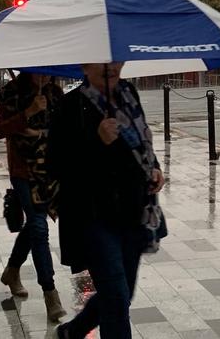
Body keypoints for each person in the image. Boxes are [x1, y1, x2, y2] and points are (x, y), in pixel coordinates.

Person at [49, 62, 166, 339]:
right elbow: (57, 164)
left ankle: (73, 331)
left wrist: (155, 168)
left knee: (122, 294)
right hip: (93, 216)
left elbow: (141, 143)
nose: (109, 67)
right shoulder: (71, 105)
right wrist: (95, 139)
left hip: (133, 210)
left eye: (114, 59)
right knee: (115, 297)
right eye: (99, 60)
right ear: (84, 66)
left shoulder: (129, 93)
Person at [0, 72, 66, 321]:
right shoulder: (10, 92)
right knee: (38, 225)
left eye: (49, 70)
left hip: (50, 169)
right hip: (23, 169)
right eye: (40, 70)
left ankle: (12, 270)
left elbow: (64, 129)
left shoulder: (55, 94)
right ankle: (50, 293)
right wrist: (27, 113)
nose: (45, 75)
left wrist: (43, 135)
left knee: (35, 226)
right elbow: (0, 130)